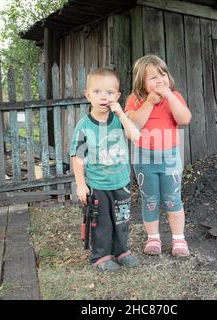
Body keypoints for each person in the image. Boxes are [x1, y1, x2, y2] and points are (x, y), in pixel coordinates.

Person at [70, 67, 140, 272]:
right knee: (101, 222)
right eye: (98, 92)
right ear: (88, 94)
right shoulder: (84, 126)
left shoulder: (119, 120)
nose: (103, 97)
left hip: (121, 182)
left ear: (117, 96)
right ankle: (100, 256)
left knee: (122, 218)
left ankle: (121, 251)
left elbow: (135, 136)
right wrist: (81, 185)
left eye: (109, 93)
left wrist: (121, 113)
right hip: (98, 184)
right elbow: (78, 157)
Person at [125, 54, 192, 257]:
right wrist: (150, 103)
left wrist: (169, 96)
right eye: (153, 77)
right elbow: (134, 124)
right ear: (141, 83)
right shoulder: (135, 99)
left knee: (173, 199)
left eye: (163, 74)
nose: (160, 80)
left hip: (169, 157)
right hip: (144, 159)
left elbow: (185, 119)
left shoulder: (175, 97)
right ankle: (153, 238)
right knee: (150, 199)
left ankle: (178, 239)